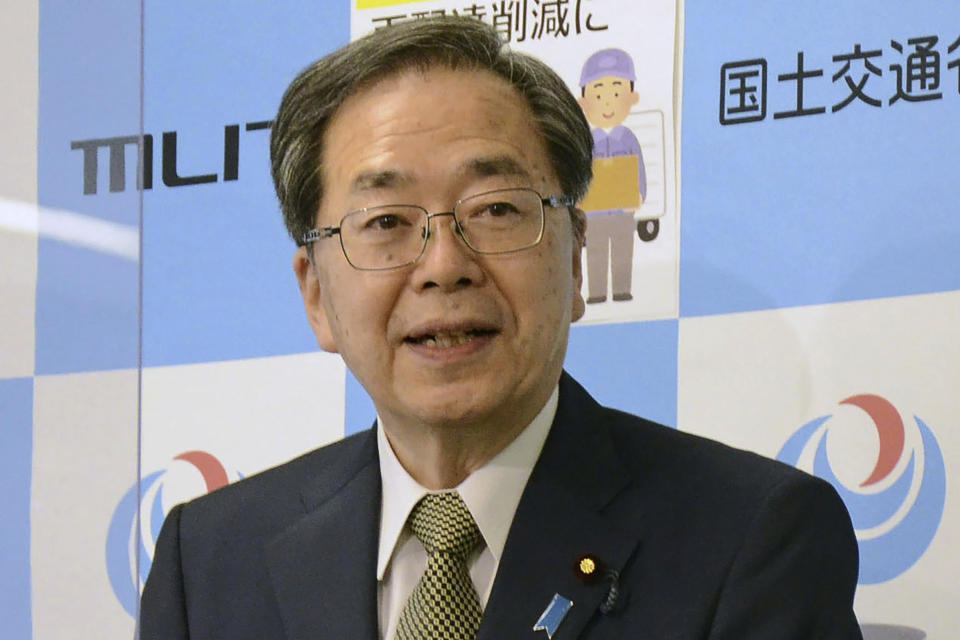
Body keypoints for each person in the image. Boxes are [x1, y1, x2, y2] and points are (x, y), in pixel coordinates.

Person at [140, 16, 862, 640]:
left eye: (495, 209)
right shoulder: (206, 561)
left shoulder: (749, 538)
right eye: (387, 223)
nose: (444, 266)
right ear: (316, 296)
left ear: (577, 260)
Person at [578, 48, 647, 303]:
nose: (607, 103)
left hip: (622, 212)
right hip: (593, 214)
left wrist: (640, 195)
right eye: (598, 94)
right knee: (595, 252)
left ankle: (621, 289)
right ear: (583, 103)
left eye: (616, 93)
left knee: (622, 251)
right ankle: (596, 292)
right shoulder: (587, 143)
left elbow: (639, 169)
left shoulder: (629, 138)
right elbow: (579, 176)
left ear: (632, 97)